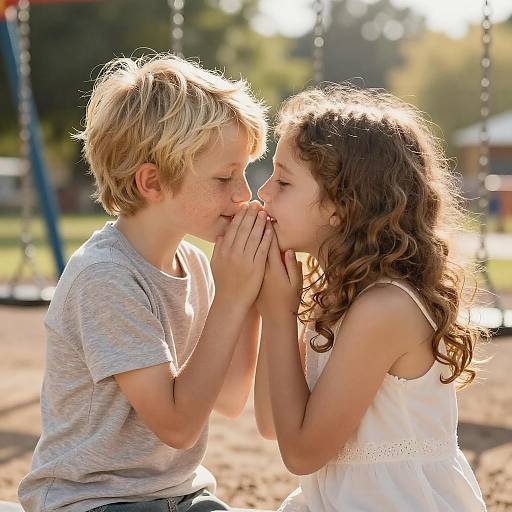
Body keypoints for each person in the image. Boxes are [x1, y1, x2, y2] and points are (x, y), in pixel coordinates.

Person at [18, 53, 272, 512]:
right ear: (151, 182)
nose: (243, 195)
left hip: (180, 494)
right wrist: (232, 297)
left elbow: (231, 397)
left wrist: (250, 293)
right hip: (92, 500)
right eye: (224, 177)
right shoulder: (105, 277)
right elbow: (177, 426)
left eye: (244, 174)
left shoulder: (193, 263)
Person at [254, 85, 488, 511]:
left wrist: (279, 310)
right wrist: (276, 313)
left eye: (283, 181)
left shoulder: (385, 307)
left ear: (340, 207)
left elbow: (302, 454)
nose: (263, 193)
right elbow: (274, 423)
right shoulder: (338, 293)